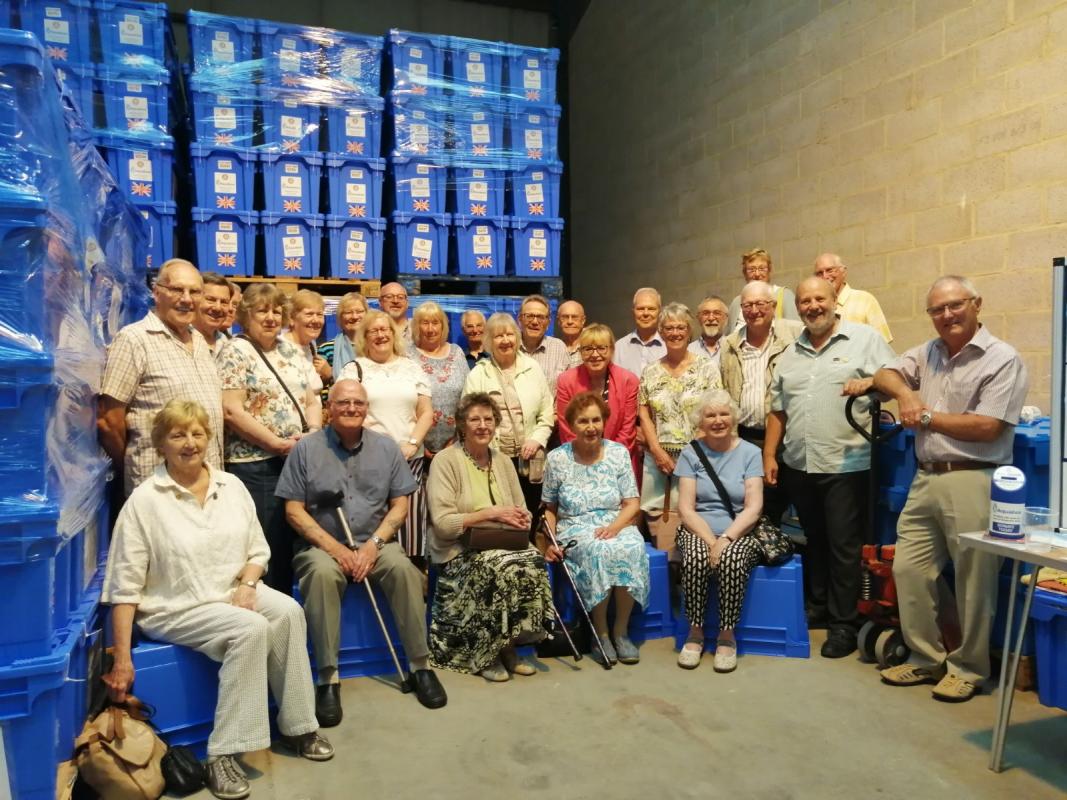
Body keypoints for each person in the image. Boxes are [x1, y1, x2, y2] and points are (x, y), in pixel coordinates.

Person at [101, 400, 333, 800]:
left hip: (231, 591)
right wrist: (122, 658)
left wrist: (247, 584)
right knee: (251, 627)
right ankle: (222, 753)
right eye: (177, 435)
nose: (189, 443)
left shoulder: (232, 486)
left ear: (209, 438)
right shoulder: (145, 500)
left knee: (289, 611)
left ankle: (298, 726)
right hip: (175, 607)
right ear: (160, 443)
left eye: (197, 433)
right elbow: (124, 585)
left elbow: (258, 552)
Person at [873, 276, 1027, 702]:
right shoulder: (929, 352)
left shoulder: (1003, 359)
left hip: (974, 476)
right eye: (937, 310)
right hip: (926, 476)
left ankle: (970, 668)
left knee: (976, 579)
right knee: (909, 569)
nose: (946, 316)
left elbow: (988, 425)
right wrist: (906, 394)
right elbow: (883, 373)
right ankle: (925, 659)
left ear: (976, 304)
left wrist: (924, 418)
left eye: (954, 306)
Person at [277, 380, 448, 721]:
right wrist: (337, 550)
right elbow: (293, 510)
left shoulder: (385, 448)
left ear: (366, 407)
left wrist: (374, 545)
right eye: (343, 403)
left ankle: (420, 665)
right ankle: (328, 677)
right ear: (330, 408)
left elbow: (400, 505)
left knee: (403, 571)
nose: (351, 408)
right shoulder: (306, 450)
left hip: (375, 540)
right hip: (322, 545)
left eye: (358, 402)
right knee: (323, 576)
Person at [764, 277, 895, 658]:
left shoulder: (864, 339)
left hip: (846, 464)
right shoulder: (791, 352)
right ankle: (818, 607)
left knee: (843, 545)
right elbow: (777, 410)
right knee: (813, 540)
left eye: (819, 299)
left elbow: (894, 382)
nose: (811, 306)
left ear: (834, 299)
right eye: (804, 301)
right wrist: (770, 455)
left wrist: (869, 382)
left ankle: (844, 624)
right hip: (799, 464)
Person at [425, 392, 553, 681]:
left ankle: (510, 645)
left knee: (533, 559)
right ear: (462, 425)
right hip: (458, 550)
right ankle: (487, 653)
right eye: (474, 419)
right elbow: (443, 525)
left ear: (495, 424)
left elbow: (523, 510)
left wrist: (520, 518)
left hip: (503, 543)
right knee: (496, 568)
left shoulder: (504, 462)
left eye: (488, 419)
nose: (482, 425)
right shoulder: (445, 461)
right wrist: (490, 514)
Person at [219, 283, 322, 595]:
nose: (270, 317)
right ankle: (264, 619)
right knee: (264, 546)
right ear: (245, 315)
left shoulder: (291, 349)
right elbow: (231, 410)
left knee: (289, 544)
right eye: (262, 310)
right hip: (256, 467)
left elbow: (312, 398)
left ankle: (287, 617)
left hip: (296, 462)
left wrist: (314, 433)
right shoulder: (236, 351)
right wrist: (276, 444)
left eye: (276, 311)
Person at [98, 258, 223, 496]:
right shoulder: (135, 339)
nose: (186, 299)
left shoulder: (198, 340)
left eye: (195, 292)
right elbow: (108, 420)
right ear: (156, 293)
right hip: (158, 488)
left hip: (206, 482)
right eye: (177, 289)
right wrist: (134, 462)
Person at [542, 392, 649, 665]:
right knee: (599, 551)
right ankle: (599, 632)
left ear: (604, 422)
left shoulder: (618, 453)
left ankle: (621, 631)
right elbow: (550, 509)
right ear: (571, 426)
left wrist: (615, 527)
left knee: (631, 547)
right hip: (575, 526)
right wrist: (551, 541)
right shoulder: (557, 459)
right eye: (583, 421)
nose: (591, 427)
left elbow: (632, 503)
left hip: (616, 521)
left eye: (596, 420)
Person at [674, 390, 764, 672]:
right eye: (710, 414)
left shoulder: (751, 452)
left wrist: (725, 539)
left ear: (734, 417)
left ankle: (727, 635)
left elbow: (753, 507)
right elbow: (686, 508)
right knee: (697, 558)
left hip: (739, 529)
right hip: (698, 527)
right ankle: (695, 632)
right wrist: (711, 540)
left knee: (732, 559)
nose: (718, 420)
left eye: (724, 413)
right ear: (701, 420)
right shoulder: (691, 453)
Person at [338, 310, 433, 559]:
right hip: (368, 460)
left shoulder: (412, 367)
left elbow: (426, 413)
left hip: (409, 459)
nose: (381, 335)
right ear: (364, 337)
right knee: (374, 528)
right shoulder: (354, 369)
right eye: (374, 331)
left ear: (393, 334)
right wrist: (381, 448)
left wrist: (412, 444)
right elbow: (346, 414)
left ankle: (412, 582)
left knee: (410, 531)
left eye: (385, 330)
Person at [638, 303, 722, 549]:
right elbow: (644, 411)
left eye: (680, 327)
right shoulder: (651, 371)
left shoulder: (706, 368)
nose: (675, 333)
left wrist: (690, 453)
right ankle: (668, 582)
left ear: (689, 331)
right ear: (661, 333)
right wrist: (656, 451)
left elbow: (714, 412)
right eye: (669, 328)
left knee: (698, 520)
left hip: (699, 458)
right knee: (660, 525)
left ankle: (694, 580)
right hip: (658, 463)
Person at [719, 281, 803, 525]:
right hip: (744, 439)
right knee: (748, 505)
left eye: (760, 304)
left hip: (786, 439)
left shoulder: (793, 336)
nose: (754, 310)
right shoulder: (730, 344)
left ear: (774, 306)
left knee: (784, 502)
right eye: (748, 305)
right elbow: (724, 389)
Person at [463, 312, 555, 521]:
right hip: (493, 457)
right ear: (488, 341)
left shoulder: (533, 368)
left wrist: (536, 439)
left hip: (531, 459)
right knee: (500, 515)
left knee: (530, 512)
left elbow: (547, 412)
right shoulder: (478, 374)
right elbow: (469, 418)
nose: (505, 340)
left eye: (509, 334)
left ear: (517, 337)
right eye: (498, 336)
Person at [555, 323, 639, 474]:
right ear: (580, 352)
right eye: (588, 349)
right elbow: (567, 429)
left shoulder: (628, 380)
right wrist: (586, 460)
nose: (595, 355)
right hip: (577, 462)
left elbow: (627, 430)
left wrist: (608, 461)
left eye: (601, 348)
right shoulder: (565, 380)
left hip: (618, 463)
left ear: (612, 350)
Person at [409, 301, 470, 456]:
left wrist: (459, 437)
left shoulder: (457, 353)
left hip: (456, 444)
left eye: (435, 323)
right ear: (417, 326)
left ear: (443, 326)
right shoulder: (406, 355)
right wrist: (418, 442)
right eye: (425, 323)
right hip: (416, 445)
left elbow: (468, 397)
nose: (430, 329)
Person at [813, 253, 892, 342]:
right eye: (819, 273)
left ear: (843, 272)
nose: (825, 276)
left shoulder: (865, 300)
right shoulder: (814, 307)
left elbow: (882, 343)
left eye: (830, 270)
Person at [726, 248, 800, 331]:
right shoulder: (737, 302)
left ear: (769, 271)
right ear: (744, 273)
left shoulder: (784, 295)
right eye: (751, 270)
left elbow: (796, 332)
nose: (757, 274)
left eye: (762, 269)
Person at [518, 294, 569, 394]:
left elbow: (568, 389)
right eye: (529, 316)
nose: (535, 322)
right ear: (519, 319)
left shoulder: (559, 347)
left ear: (548, 323)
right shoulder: (509, 346)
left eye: (541, 317)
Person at [613, 287, 664, 379]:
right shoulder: (619, 348)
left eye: (651, 309)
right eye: (640, 309)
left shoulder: (669, 346)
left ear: (660, 312)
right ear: (633, 312)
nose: (645, 313)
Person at [318, 291, 368, 374]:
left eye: (359, 311)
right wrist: (329, 375)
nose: (354, 316)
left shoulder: (376, 346)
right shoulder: (326, 349)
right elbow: (318, 383)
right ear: (340, 317)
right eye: (348, 312)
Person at [195, 272, 233, 360]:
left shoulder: (227, 344)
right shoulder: (182, 341)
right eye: (210, 300)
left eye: (224, 302)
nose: (218, 308)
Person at [689, 295, 729, 368]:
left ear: (726, 318)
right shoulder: (688, 351)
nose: (711, 318)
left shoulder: (734, 349)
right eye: (706, 313)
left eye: (717, 313)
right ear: (698, 318)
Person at [556, 300, 587, 367]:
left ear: (583, 320)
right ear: (558, 321)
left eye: (575, 317)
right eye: (565, 317)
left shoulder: (593, 346)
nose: (570, 321)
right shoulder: (554, 348)